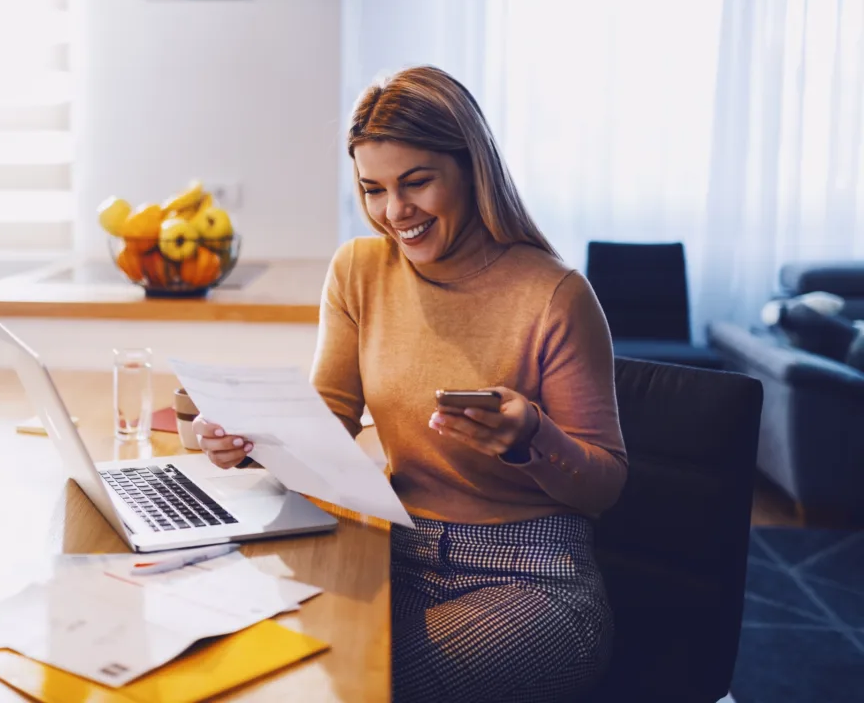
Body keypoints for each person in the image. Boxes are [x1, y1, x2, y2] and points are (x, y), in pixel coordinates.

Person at [194, 65, 627, 703]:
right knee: (249, 648)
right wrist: (251, 438)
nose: (395, 213)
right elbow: (330, 419)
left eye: (416, 182)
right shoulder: (359, 271)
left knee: (356, 681)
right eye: (373, 189)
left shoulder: (556, 295)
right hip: (393, 547)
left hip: (534, 576)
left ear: (470, 168)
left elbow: (606, 485)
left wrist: (530, 436)